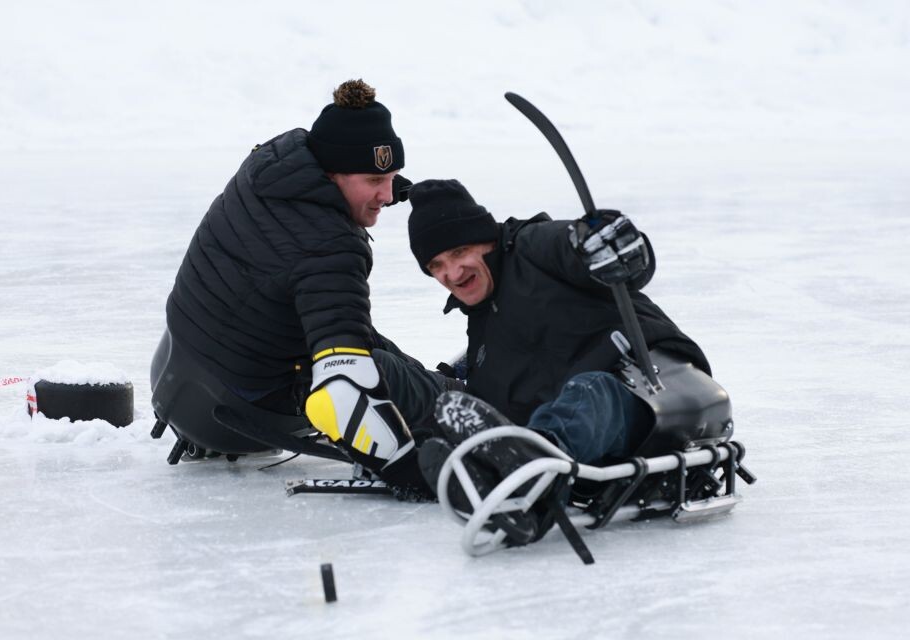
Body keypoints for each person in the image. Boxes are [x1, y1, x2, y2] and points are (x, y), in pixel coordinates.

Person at [152, 80, 449, 496]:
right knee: (371, 364)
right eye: (373, 180)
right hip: (244, 414)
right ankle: (463, 403)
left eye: (392, 178)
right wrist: (409, 470)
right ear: (333, 173)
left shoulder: (273, 164)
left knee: (357, 334)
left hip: (180, 374)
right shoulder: (330, 247)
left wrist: (395, 188)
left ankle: (439, 382)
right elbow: (346, 383)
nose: (386, 194)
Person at [404, 179, 723, 498]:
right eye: (436, 265)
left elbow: (573, 246)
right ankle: (505, 474)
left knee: (591, 393)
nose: (452, 273)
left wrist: (603, 243)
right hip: (597, 445)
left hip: (657, 392)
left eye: (459, 252)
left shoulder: (530, 247)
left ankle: (535, 471)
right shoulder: (484, 331)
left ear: (485, 238)